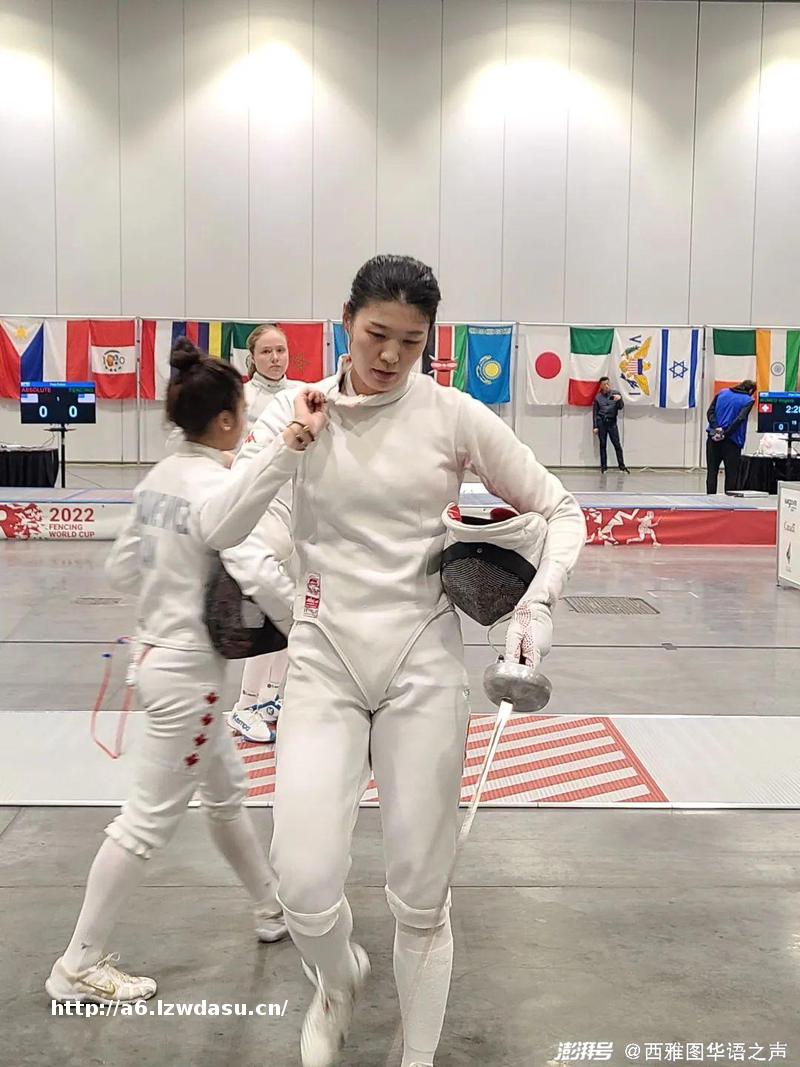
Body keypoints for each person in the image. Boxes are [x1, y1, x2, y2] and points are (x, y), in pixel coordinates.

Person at [230, 255, 586, 1067]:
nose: (391, 355)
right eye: (376, 334)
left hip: (421, 661)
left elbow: (561, 510)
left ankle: (417, 1057)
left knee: (422, 894)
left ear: (430, 338)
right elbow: (243, 524)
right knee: (302, 880)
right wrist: (288, 598)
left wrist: (537, 604)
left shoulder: (452, 416)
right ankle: (336, 981)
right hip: (323, 659)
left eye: (411, 340)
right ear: (346, 322)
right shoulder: (298, 411)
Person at [45, 339, 327, 1005]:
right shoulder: (215, 488)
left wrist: (171, 577)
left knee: (226, 793)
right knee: (143, 823)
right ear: (227, 420)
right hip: (189, 679)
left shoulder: (159, 479)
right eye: (243, 414)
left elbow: (121, 568)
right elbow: (257, 569)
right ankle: (77, 965)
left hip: (153, 661)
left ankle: (271, 907)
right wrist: (311, 629)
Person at [227, 323, 301, 744]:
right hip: (258, 518)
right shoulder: (240, 399)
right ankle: (245, 706)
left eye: (281, 350)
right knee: (265, 613)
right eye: (267, 352)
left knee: (296, 613)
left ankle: (272, 698)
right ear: (252, 358)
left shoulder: (302, 395)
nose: (275, 358)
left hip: (295, 516)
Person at [706, 379, 757, 494]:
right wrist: (725, 433)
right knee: (731, 474)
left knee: (712, 472)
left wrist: (716, 428)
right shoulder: (748, 400)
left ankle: (709, 498)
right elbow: (740, 418)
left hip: (713, 438)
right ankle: (729, 500)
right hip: (732, 441)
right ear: (750, 390)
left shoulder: (722, 392)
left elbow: (710, 412)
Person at [593, 377, 630, 473]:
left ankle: (622, 466)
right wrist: (595, 426)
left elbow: (621, 407)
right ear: (601, 386)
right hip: (602, 423)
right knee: (603, 445)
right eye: (604, 384)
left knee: (617, 444)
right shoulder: (598, 397)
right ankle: (604, 467)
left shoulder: (616, 394)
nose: (606, 386)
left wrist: (619, 400)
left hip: (612, 423)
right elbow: (595, 413)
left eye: (607, 384)